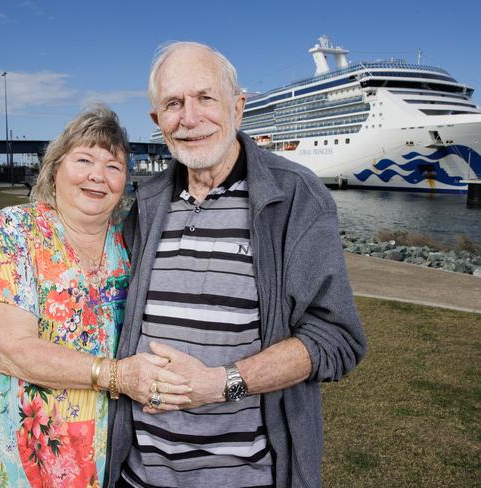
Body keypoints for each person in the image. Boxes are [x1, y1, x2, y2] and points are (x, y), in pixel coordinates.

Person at [105, 43, 367, 488]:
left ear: (238, 106)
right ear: (157, 122)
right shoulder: (146, 203)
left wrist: (221, 383)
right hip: (138, 477)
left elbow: (337, 337)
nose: (190, 117)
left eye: (206, 98)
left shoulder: (296, 198)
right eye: (173, 104)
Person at [0, 104, 191, 488]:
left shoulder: (128, 243)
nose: (97, 176)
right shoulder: (16, 230)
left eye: (113, 166)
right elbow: (9, 351)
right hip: (32, 451)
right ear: (55, 169)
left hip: (111, 451)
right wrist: (117, 375)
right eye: (84, 159)